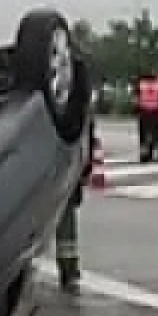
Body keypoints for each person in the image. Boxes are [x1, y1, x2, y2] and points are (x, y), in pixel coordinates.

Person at [54, 120, 104, 292]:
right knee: (66, 227)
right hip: (67, 165)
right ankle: (69, 272)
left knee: (65, 228)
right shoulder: (77, 104)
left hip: (59, 166)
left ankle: (69, 271)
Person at [133, 70, 158, 162]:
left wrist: (136, 110)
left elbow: (136, 99)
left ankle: (144, 154)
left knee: (143, 134)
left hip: (144, 111)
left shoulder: (141, 84)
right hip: (157, 111)